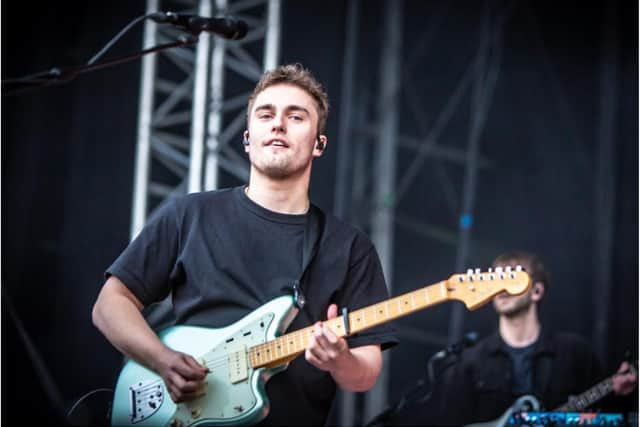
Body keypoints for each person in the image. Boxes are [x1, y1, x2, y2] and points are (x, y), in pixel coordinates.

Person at [92, 63, 398, 426]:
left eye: (296, 116)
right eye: (266, 114)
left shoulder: (349, 247)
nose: (278, 124)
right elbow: (110, 305)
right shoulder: (191, 214)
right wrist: (162, 359)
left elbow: (365, 374)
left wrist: (339, 360)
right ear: (248, 137)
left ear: (319, 144)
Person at [435, 250, 636, 426]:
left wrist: (621, 394)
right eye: (494, 280)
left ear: (537, 291)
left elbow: (608, 416)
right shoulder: (470, 362)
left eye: (510, 278)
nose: (500, 288)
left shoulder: (575, 353)